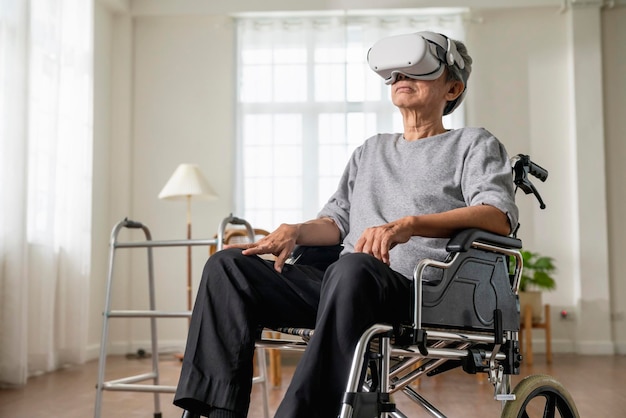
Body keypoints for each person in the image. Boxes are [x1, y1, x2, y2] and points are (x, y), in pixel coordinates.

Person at [174, 31, 519, 418]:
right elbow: (335, 223)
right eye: (395, 75)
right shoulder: (370, 150)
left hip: (420, 294)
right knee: (228, 266)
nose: (401, 78)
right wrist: (297, 230)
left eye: (417, 73)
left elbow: (497, 215)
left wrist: (409, 225)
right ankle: (214, 413)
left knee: (353, 267)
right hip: (343, 286)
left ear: (452, 88)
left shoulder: (473, 144)